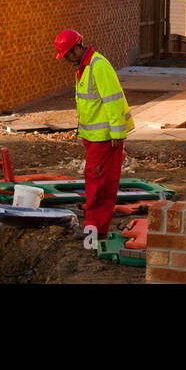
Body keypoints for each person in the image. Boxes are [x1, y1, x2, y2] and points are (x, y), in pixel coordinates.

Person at [54, 29, 133, 240]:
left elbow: (113, 99)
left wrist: (117, 131)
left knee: (98, 185)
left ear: (78, 47)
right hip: (94, 138)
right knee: (100, 184)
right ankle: (97, 229)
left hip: (105, 139)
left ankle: (94, 230)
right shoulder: (84, 67)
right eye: (66, 56)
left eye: (69, 54)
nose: (68, 59)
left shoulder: (98, 66)